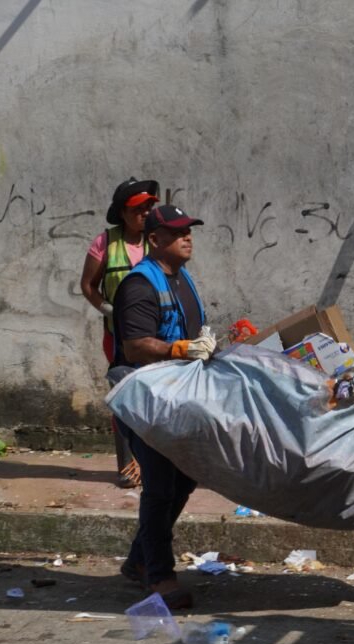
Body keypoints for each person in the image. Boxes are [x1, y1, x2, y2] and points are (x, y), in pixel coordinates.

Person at [112, 204, 216, 609]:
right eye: (176, 232)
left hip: (177, 395)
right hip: (147, 399)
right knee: (158, 486)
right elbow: (134, 346)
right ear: (154, 239)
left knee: (184, 480)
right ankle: (159, 575)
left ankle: (140, 559)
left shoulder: (181, 277)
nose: (187, 237)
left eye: (188, 230)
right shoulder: (139, 285)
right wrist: (180, 348)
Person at [80, 177, 159, 488]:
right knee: (124, 396)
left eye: (149, 207)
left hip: (157, 338)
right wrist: (108, 309)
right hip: (119, 339)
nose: (145, 213)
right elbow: (88, 285)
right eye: (138, 209)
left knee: (155, 398)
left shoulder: (158, 239)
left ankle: (154, 465)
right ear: (123, 213)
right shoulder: (105, 243)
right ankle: (127, 464)